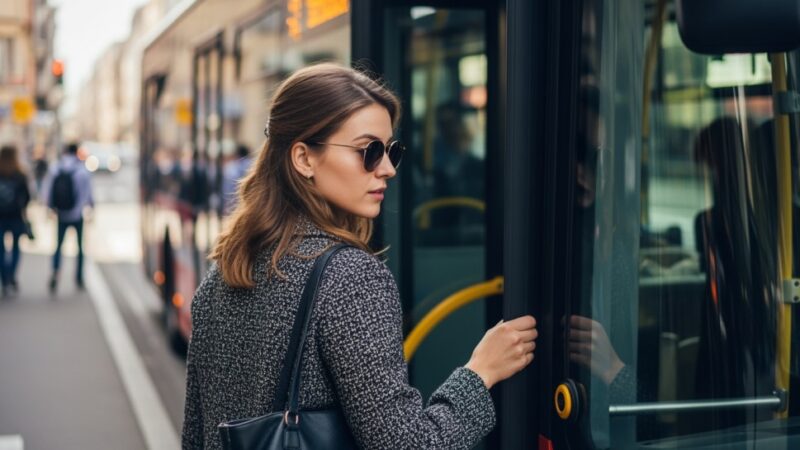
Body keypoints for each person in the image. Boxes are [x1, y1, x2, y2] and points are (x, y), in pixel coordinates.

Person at [182, 63, 538, 450]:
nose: (387, 169)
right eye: (368, 151)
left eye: (391, 151)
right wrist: (480, 372)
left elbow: (196, 436)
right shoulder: (350, 278)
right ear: (303, 158)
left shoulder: (223, 273)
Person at [42, 142, 94, 292]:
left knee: (58, 246)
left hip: (61, 214)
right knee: (80, 248)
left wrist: (48, 210)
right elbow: (88, 193)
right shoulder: (82, 170)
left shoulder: (56, 168)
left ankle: (55, 273)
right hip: (78, 215)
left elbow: (47, 190)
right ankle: (79, 277)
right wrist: (90, 209)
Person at [0, 145, 31, 296]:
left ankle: (4, 279)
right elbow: (27, 197)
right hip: (16, 216)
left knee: (1, 250)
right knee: (16, 248)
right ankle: (11, 276)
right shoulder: (20, 174)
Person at [221, 143, 253, 215]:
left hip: (235, 206)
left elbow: (226, 189)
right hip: (252, 206)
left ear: (237, 155)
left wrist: (226, 205)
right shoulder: (254, 166)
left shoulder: (231, 168)